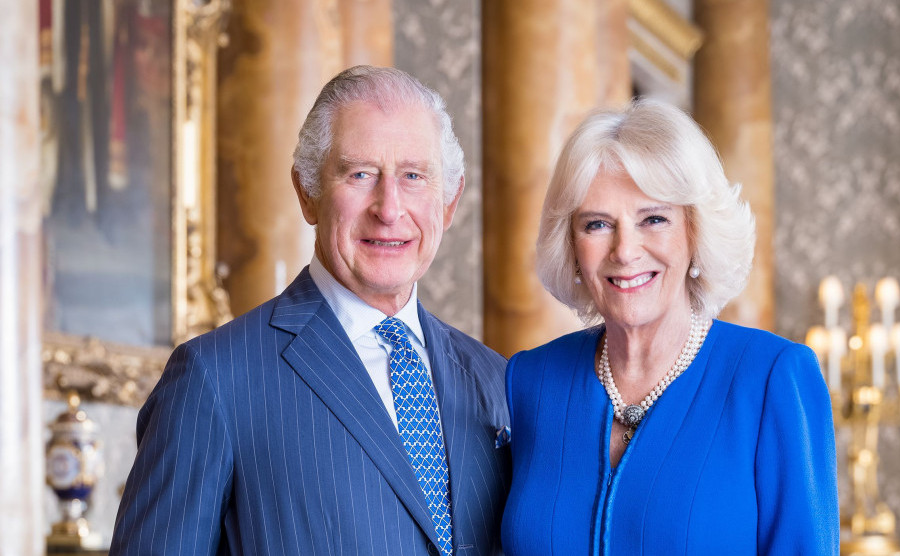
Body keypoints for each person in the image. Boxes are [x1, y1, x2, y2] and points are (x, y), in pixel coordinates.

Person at [110, 66, 511, 556]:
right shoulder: (213, 379)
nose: (389, 209)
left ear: (448, 203)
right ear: (307, 193)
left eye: (413, 176)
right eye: (360, 174)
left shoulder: (496, 380)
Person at [501, 99, 839, 555]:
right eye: (597, 224)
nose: (625, 251)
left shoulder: (771, 379)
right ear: (572, 247)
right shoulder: (530, 381)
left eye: (654, 219)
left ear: (695, 232)